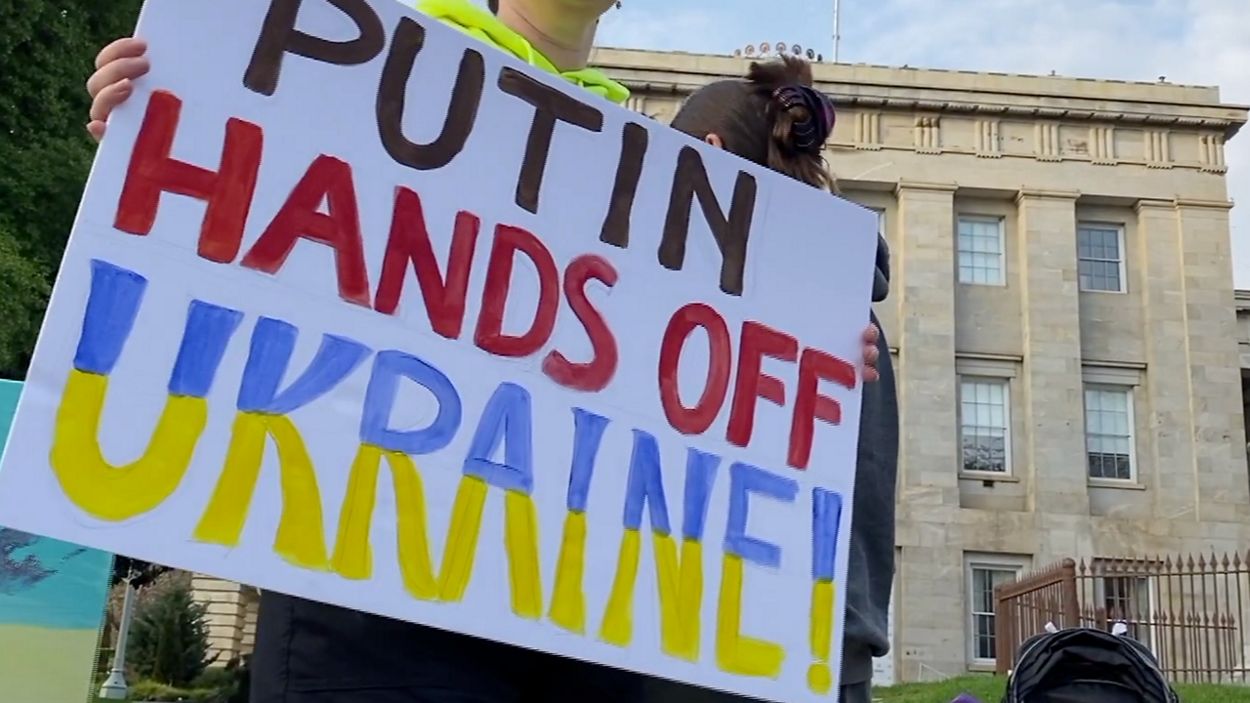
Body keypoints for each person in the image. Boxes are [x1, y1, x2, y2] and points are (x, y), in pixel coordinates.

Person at [83, 2, 886, 701]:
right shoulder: (370, 67)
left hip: (567, 630)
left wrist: (799, 357)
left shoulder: (633, 162)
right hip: (371, 617)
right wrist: (166, 115)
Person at [659, 57, 900, 703]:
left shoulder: (734, 305)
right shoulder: (841, 301)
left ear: (707, 156)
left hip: (719, 646)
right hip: (822, 650)